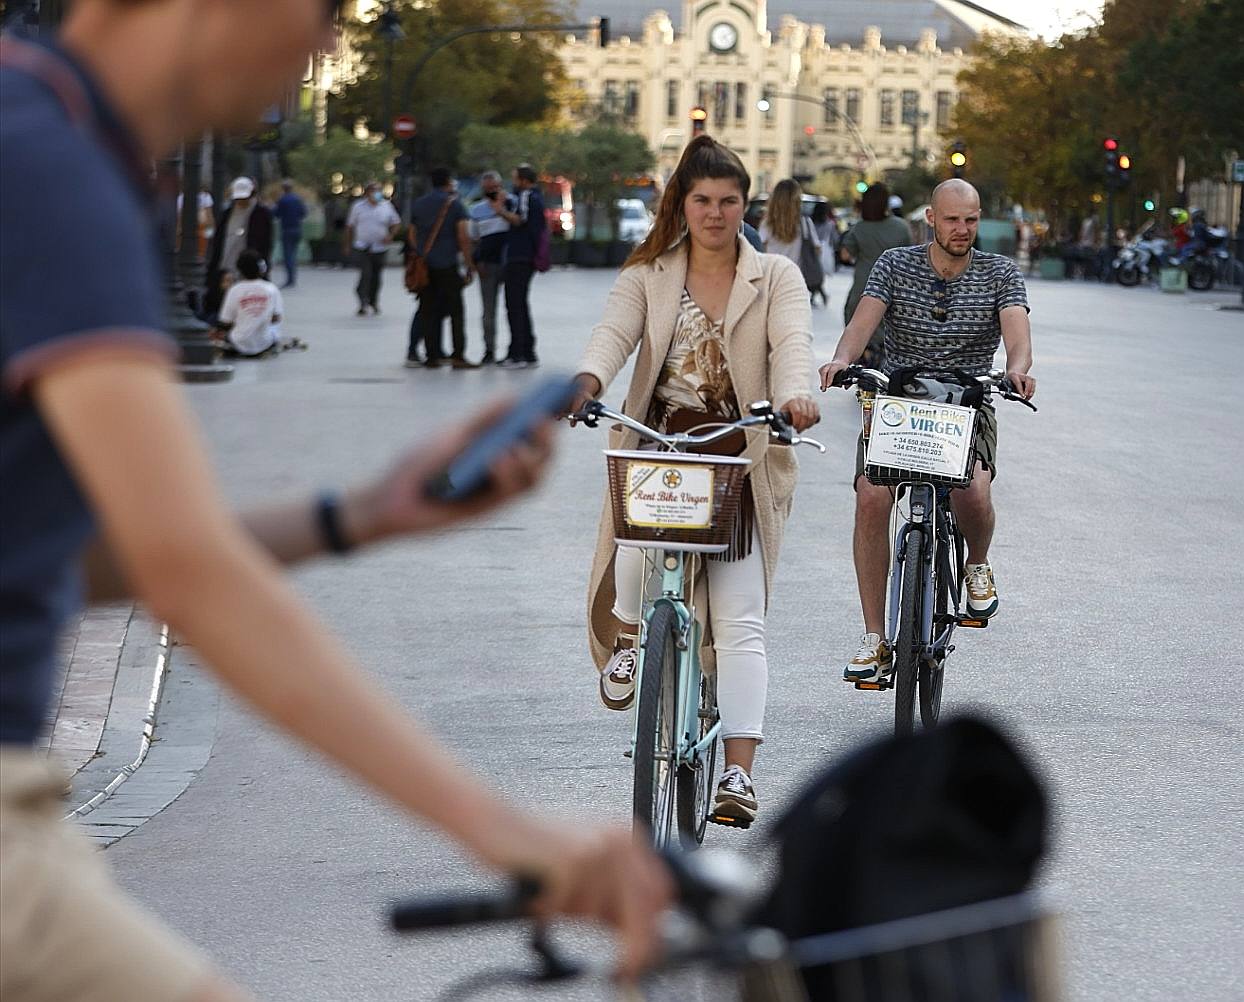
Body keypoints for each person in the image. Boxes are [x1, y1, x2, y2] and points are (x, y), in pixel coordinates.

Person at [0, 9, 672, 1002]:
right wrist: (513, 836)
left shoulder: (43, 133)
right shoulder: (50, 169)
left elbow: (64, 552)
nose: (322, 47)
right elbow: (188, 569)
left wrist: (366, 513)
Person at [571, 136, 820, 828]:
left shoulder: (775, 278)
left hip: (737, 458)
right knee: (633, 540)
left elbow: (792, 345)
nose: (715, 213)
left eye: (729, 201)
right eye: (702, 200)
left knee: (742, 623)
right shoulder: (649, 273)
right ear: (682, 203)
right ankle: (629, 639)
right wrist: (587, 382)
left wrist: (797, 396)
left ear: (748, 206)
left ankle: (737, 772)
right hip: (659, 444)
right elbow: (612, 335)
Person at [818, 179, 1035, 684]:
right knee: (871, 498)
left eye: (971, 220)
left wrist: (1019, 370)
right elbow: (860, 325)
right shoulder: (894, 264)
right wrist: (841, 360)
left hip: (968, 399)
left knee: (973, 495)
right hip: (901, 402)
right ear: (931, 220)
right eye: (953, 219)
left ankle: (976, 564)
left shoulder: (999, 272)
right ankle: (875, 639)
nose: (963, 230)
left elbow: (1017, 334)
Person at [406, 167, 475, 369]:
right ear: (448, 182)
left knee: (429, 310)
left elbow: (412, 233)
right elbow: (462, 235)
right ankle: (458, 356)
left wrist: (420, 252)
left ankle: (432, 356)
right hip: (447, 264)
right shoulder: (454, 204)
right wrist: (469, 263)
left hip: (426, 265)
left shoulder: (419, 204)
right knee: (455, 311)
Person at [840, 182, 912, 365]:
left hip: (863, 288)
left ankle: (865, 361)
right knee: (888, 334)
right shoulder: (901, 227)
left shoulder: (860, 228)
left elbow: (845, 255)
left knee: (859, 330)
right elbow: (912, 258)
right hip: (894, 288)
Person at [495, 164, 547, 369]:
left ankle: (519, 354)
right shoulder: (532, 197)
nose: (514, 182)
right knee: (520, 304)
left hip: (520, 257)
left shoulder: (527, 196)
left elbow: (520, 220)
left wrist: (500, 211)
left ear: (524, 180)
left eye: (516, 178)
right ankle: (526, 350)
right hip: (526, 257)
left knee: (514, 305)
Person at [204, 175, 273, 319]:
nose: (241, 201)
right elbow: (219, 240)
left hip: (249, 263)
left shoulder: (261, 214)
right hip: (226, 261)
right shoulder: (227, 213)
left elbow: (265, 242)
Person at [468, 170, 511, 365]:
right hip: (487, 264)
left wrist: (502, 208)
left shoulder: (513, 203)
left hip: (510, 264)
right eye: (487, 189)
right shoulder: (477, 211)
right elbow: (473, 239)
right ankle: (489, 350)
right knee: (488, 310)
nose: (492, 192)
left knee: (514, 309)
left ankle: (515, 350)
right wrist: (474, 264)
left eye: (494, 188)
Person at [345, 180, 400, 316]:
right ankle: (363, 301)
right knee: (366, 274)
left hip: (379, 248)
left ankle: (373, 301)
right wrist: (346, 244)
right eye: (374, 190)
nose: (377, 193)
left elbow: (396, 222)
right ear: (367, 192)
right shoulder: (358, 207)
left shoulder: (386, 206)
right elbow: (350, 227)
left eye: (379, 190)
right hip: (363, 246)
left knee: (376, 276)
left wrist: (390, 235)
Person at [212, 249, 282, 357]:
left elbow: (225, 321)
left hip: (238, 342)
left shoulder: (235, 289)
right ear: (261, 269)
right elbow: (276, 318)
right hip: (265, 342)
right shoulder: (271, 288)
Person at [271, 179, 306, 289]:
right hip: (297, 228)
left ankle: (290, 279)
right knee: (293, 254)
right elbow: (303, 213)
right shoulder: (297, 199)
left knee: (288, 255)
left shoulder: (283, 200)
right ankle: (292, 277)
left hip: (287, 229)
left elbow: (276, 214)